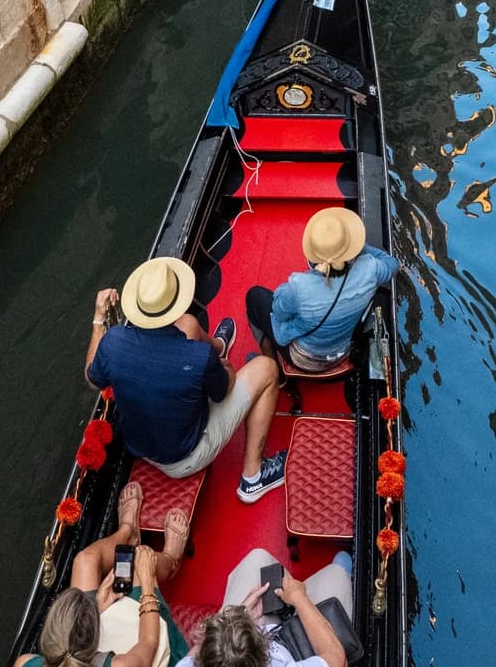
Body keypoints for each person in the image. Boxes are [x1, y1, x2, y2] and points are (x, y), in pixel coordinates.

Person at [87, 257, 291, 503]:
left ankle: (219, 346)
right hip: (185, 457)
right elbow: (221, 392)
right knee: (267, 368)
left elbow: (92, 379)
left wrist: (99, 320)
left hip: (139, 444)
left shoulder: (112, 341)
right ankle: (254, 476)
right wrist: (226, 370)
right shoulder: (197, 357)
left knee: (189, 325)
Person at [11, 482, 194, 667]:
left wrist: (96, 608)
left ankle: (127, 531)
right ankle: (170, 561)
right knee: (139, 559)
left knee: (85, 561)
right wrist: (148, 580)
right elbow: (148, 644)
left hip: (96, 666)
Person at [164, 549, 353, 667]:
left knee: (258, 559)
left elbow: (197, 651)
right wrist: (299, 598)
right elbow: (337, 659)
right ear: (264, 655)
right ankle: (334, 575)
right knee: (337, 577)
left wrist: (240, 613)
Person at [245, 207, 401, 373]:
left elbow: (279, 313)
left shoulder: (298, 286)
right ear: (348, 249)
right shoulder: (371, 269)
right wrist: (358, 247)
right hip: (342, 351)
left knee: (254, 296)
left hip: (304, 358)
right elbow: (392, 264)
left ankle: (271, 368)